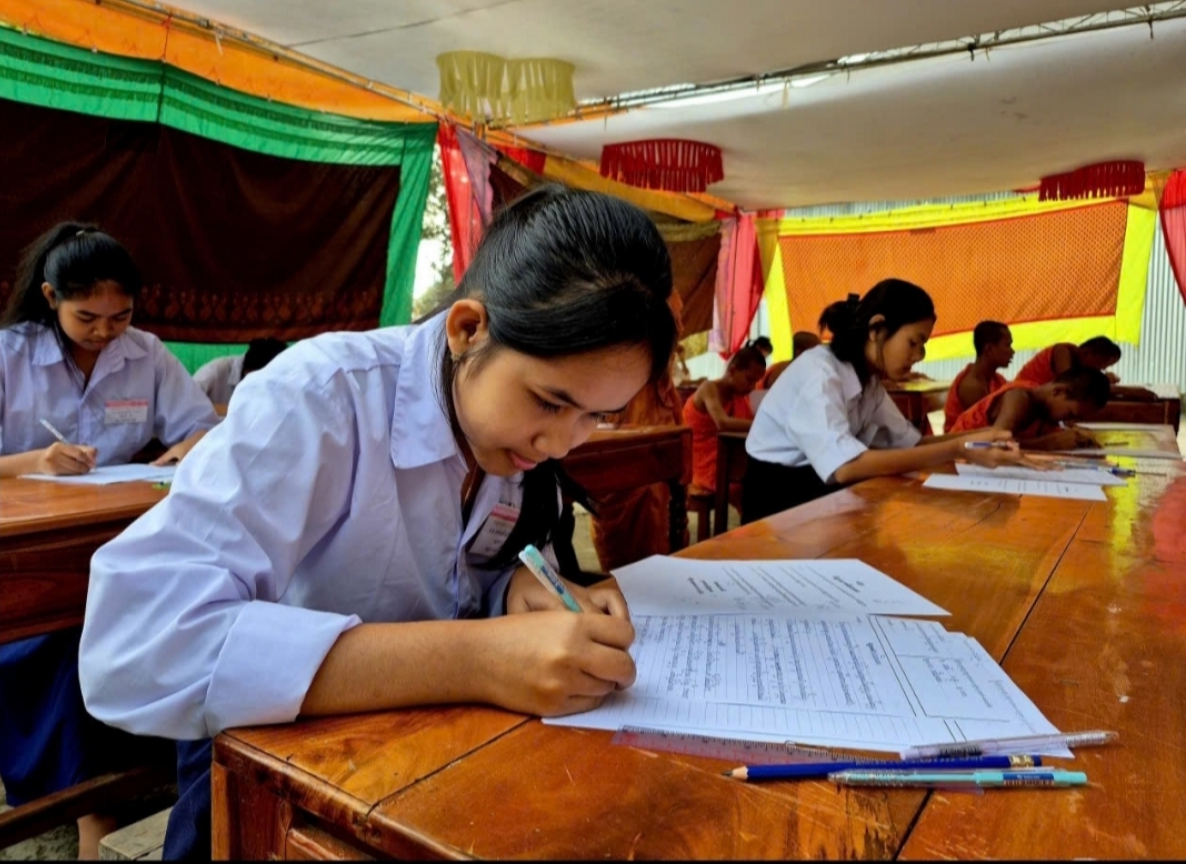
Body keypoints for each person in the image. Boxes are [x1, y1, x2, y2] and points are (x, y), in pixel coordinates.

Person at [78, 185, 678, 859]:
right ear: (468, 329)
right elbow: (136, 643)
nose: (562, 443)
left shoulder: (509, 439)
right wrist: (477, 660)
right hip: (276, 773)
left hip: (436, 762)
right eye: (549, 402)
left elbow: (461, 570)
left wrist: (514, 590)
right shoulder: (319, 398)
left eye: (597, 416)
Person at [0, 223, 220, 858]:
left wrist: (186, 448)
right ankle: (92, 807)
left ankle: (146, 773)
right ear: (50, 297)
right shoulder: (6, 356)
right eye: (87, 317)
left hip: (120, 534)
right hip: (26, 552)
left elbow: (204, 427)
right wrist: (34, 461)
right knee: (68, 647)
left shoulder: (145, 354)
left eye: (120, 317)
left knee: (161, 619)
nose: (104, 332)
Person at [742, 280, 1039, 522]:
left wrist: (983, 437)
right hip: (778, 503)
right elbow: (846, 466)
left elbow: (912, 444)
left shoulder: (868, 381)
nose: (918, 356)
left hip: (821, 496)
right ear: (876, 329)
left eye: (922, 346)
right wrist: (957, 448)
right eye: (913, 342)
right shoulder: (820, 374)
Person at [589, 292, 688, 571]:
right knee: (620, 507)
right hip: (625, 415)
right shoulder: (620, 301)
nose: (680, 327)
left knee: (659, 507)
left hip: (657, 417)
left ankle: (655, 579)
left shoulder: (666, 297)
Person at [949, 369, 1110, 450]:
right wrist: (1047, 443)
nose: (1068, 421)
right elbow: (995, 444)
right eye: (1070, 414)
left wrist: (1079, 438)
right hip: (953, 462)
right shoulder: (1019, 399)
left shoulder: (1043, 409)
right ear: (1058, 391)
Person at [683, 346, 765, 502]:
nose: (752, 388)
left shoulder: (739, 397)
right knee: (747, 487)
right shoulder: (709, 388)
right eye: (749, 380)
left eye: (755, 382)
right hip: (701, 466)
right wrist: (763, 425)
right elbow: (723, 423)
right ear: (732, 370)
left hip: (726, 459)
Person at [1017, 336, 1157, 400]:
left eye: (1106, 366)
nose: (1102, 369)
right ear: (1086, 353)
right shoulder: (1062, 352)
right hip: (1023, 397)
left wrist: (1105, 380)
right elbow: (1073, 387)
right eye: (1101, 363)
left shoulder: (1081, 365)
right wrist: (1129, 391)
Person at [943, 321, 1014, 433]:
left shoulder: (995, 378)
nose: (1012, 352)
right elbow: (991, 431)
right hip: (965, 442)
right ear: (989, 349)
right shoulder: (971, 387)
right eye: (1007, 345)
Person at [192, 337, 289, 406]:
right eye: (253, 381)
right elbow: (187, 405)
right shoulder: (214, 371)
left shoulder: (283, 379)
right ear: (247, 368)